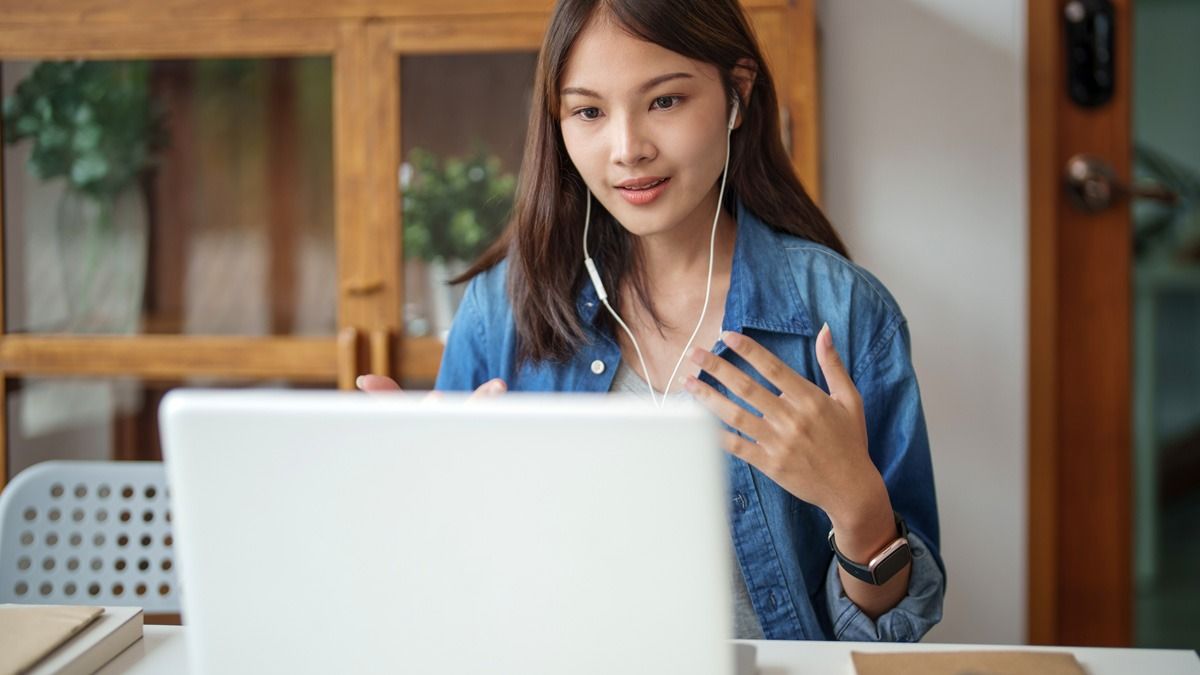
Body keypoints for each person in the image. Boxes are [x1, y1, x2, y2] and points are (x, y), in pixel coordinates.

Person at [359, 0, 944, 641]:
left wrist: (856, 503)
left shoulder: (845, 313)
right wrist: (418, 495)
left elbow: (890, 636)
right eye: (588, 112)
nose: (627, 149)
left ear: (737, 94)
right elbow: (441, 594)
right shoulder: (502, 311)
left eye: (664, 101)